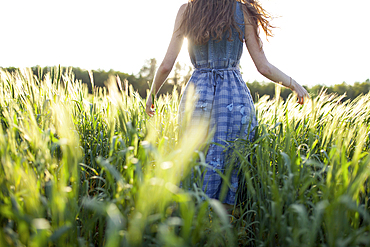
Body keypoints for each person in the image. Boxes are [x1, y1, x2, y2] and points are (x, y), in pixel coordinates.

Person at [145, 0, 309, 208]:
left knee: (195, 160)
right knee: (232, 165)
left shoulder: (186, 11)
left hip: (198, 97)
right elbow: (263, 67)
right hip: (234, 99)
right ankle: (226, 231)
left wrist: (152, 93)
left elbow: (167, 65)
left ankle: (194, 226)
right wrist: (293, 84)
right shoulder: (242, 12)